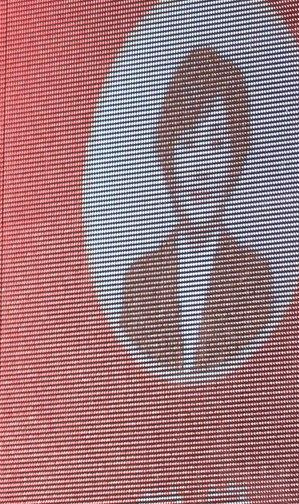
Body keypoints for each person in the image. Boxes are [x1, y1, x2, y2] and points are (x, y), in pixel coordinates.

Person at [117, 44, 273, 376]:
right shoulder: (139, 283)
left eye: (216, 144)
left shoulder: (254, 281)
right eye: (188, 143)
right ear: (168, 156)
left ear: (235, 159)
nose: (201, 168)